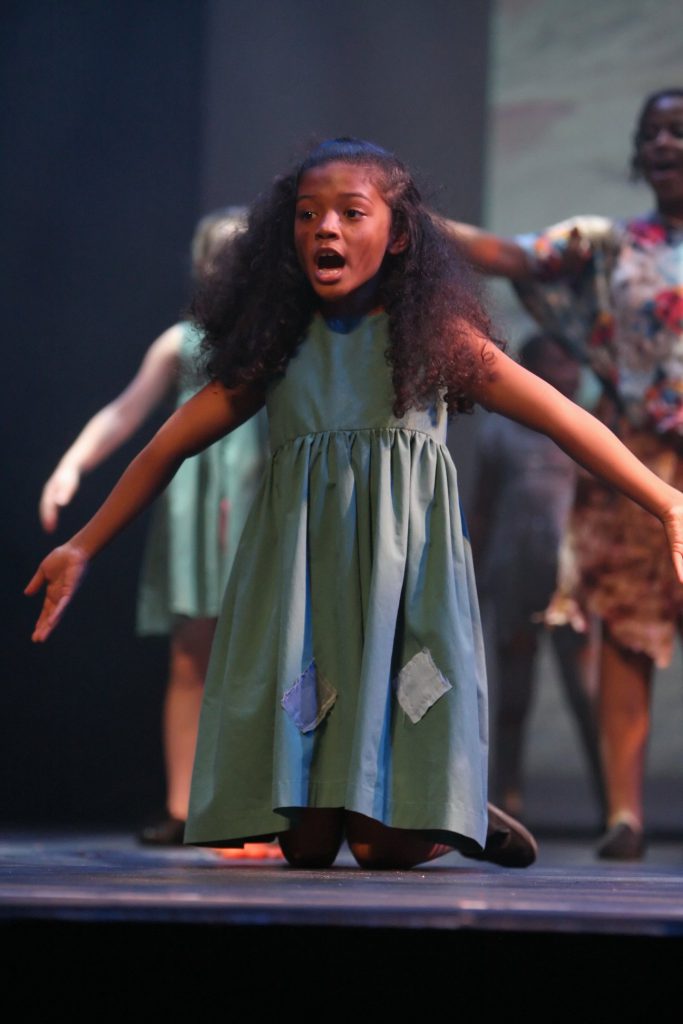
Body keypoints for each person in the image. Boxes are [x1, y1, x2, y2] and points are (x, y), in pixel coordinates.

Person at [26, 137, 683, 872]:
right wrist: (83, 544)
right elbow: (164, 448)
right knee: (305, 845)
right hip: (310, 587)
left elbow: (564, 419)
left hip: (403, 585)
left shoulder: (433, 340)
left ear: (397, 236)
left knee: (378, 849)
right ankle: (400, 806)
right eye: (307, 215)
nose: (325, 229)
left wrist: (666, 502)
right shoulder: (276, 347)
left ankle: (448, 816)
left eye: (350, 212)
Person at [449, 88, 683, 859]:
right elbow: (513, 257)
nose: (663, 144)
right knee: (623, 629)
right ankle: (624, 813)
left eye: (679, 131)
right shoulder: (611, 244)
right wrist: (401, 213)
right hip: (637, 455)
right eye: (652, 133)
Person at [38, 209, 273, 853]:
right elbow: (124, 412)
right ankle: (182, 804)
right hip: (195, 501)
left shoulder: (280, 335)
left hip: (261, 493)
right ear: (201, 266)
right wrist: (72, 464)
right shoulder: (182, 342)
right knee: (190, 653)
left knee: (266, 653)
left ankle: (263, 803)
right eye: (218, 256)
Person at [470, 333, 605, 822]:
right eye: (555, 361)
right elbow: (483, 507)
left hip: (571, 584)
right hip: (515, 576)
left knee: (587, 696)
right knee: (514, 694)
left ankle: (613, 803)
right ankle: (507, 799)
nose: (568, 372)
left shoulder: (586, 427)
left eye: (572, 361)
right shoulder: (500, 432)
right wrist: (472, 576)